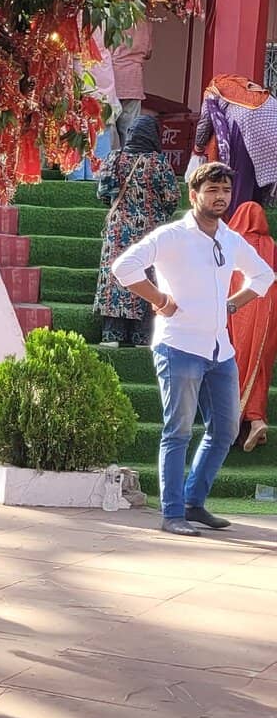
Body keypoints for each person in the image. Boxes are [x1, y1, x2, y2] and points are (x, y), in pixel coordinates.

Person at [111, 161, 276, 536]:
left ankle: (193, 503)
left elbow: (264, 275)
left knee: (225, 430)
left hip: (221, 351)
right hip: (179, 346)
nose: (220, 197)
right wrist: (161, 299)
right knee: (179, 431)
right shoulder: (173, 235)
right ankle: (172, 514)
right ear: (194, 194)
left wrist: (232, 304)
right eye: (212, 190)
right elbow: (124, 267)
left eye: (225, 191)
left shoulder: (231, 238)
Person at [95, 114, 181, 346]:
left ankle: (111, 335)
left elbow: (103, 193)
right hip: (150, 232)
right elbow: (172, 198)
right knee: (147, 276)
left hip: (117, 230)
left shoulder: (114, 158)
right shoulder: (159, 163)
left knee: (116, 277)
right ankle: (142, 336)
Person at [228, 200, 277, 454]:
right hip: (269, 313)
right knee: (259, 367)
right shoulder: (271, 245)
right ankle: (256, 419)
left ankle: (232, 422)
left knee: (237, 363)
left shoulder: (233, 242)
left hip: (239, 310)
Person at [194, 75, 277, 212]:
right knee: (258, 182)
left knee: (239, 181)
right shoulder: (249, 89)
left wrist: (197, 149)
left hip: (245, 127)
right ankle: (253, 223)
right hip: (272, 124)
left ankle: (236, 224)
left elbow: (205, 123)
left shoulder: (213, 90)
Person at [109, 15, 153, 150]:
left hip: (112, 80)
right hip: (134, 81)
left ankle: (108, 167)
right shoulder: (145, 20)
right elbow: (148, 52)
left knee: (108, 132)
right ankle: (127, 167)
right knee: (129, 135)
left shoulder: (112, 16)